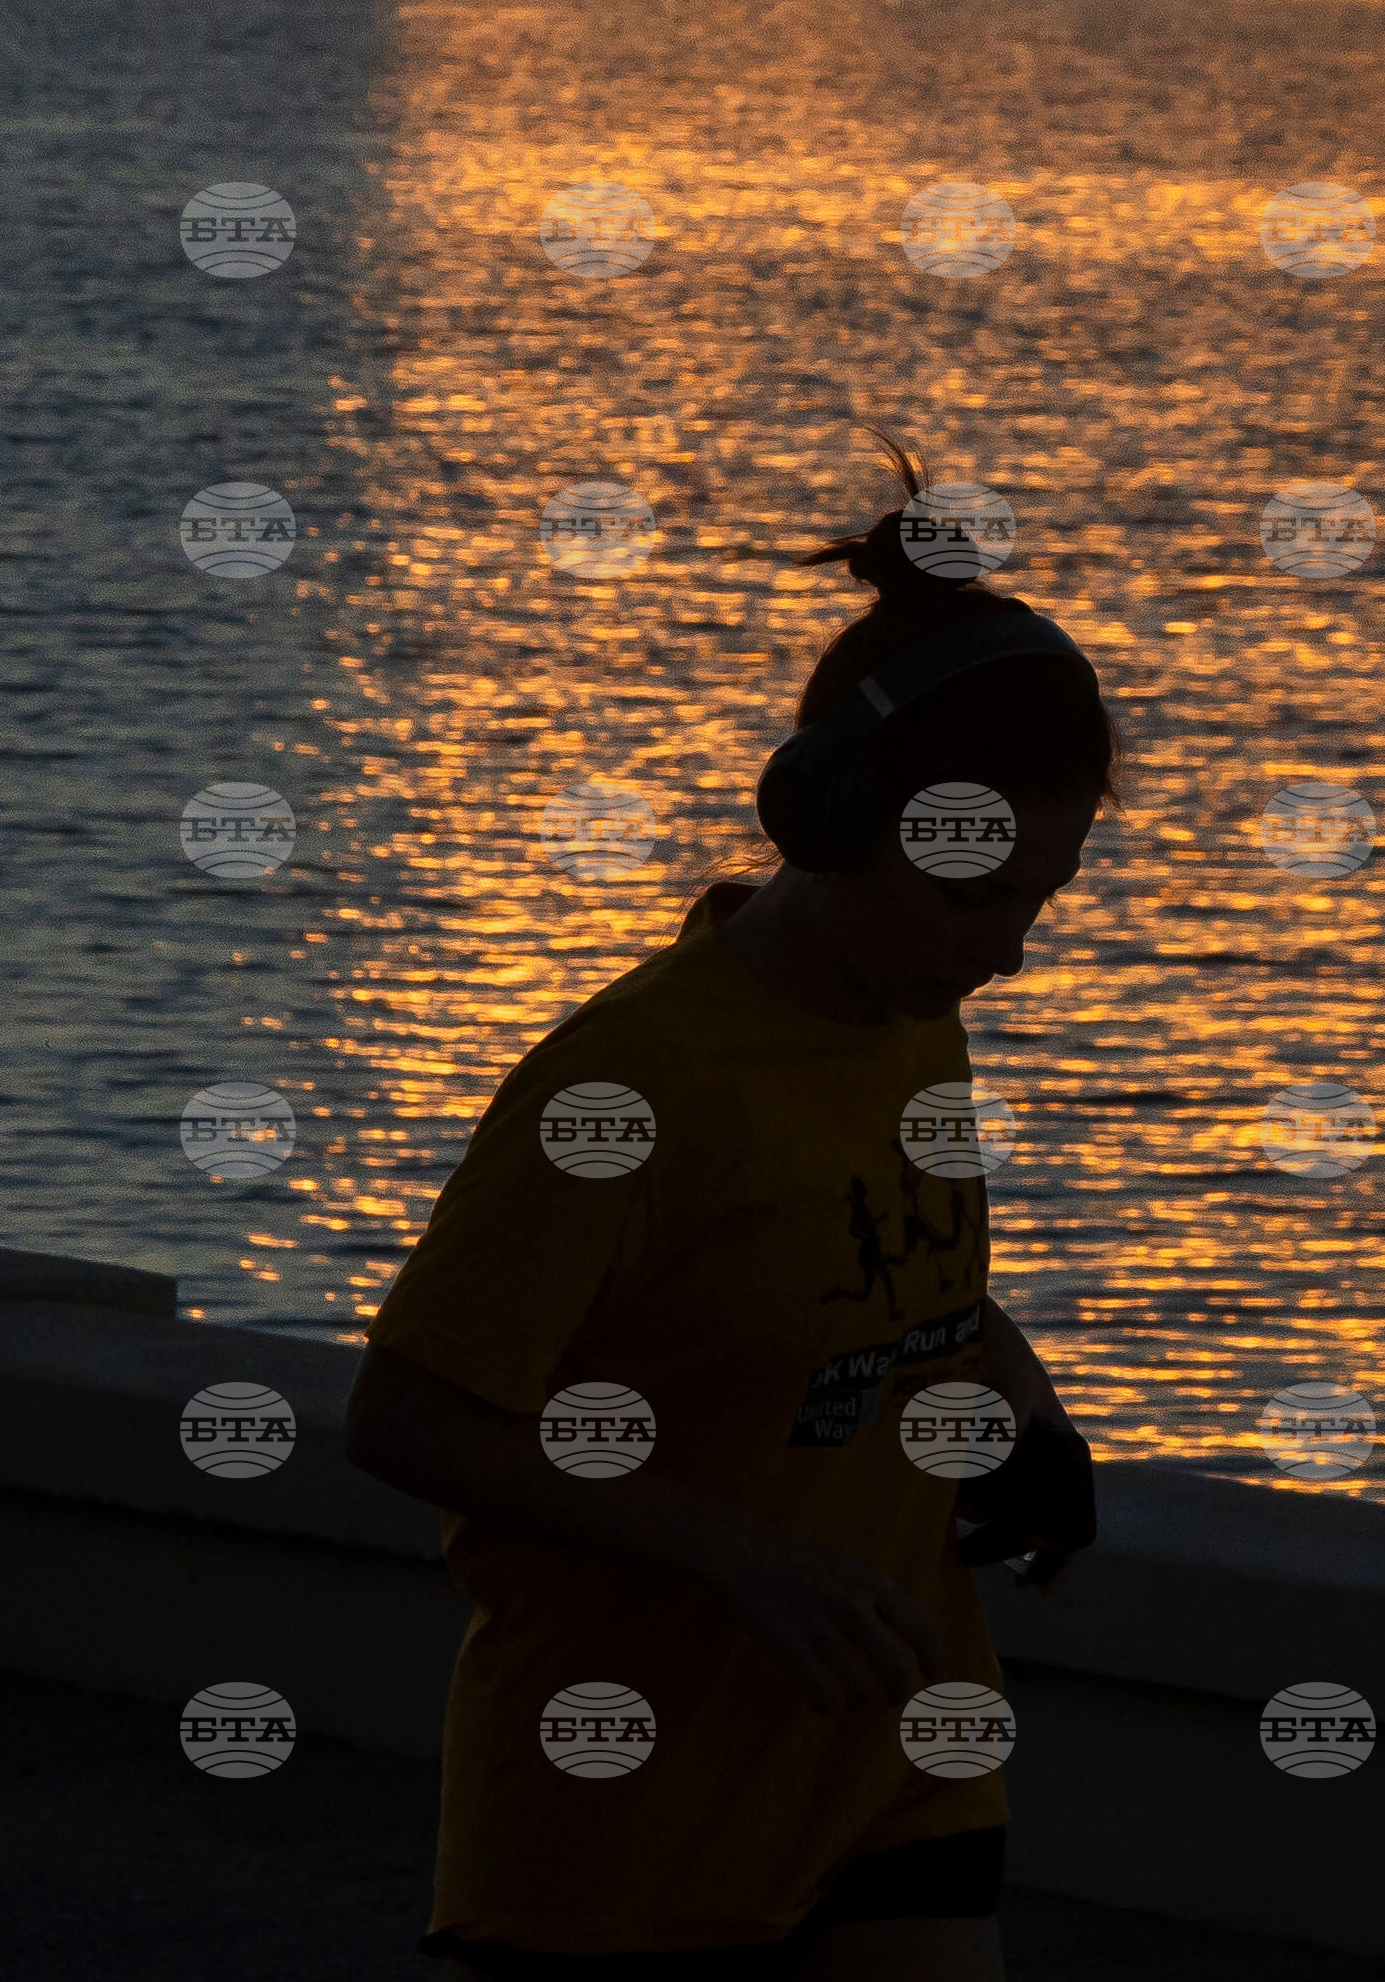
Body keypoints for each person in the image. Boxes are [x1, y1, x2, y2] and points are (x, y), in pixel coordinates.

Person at [343, 436, 1120, 1979]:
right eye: (971, 895)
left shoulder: (915, 1022)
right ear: (829, 824)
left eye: (1038, 896)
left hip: (891, 1760)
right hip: (624, 1813)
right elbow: (406, 1415)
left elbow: (894, 1281)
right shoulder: (629, 1086)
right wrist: (736, 1553)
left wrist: (1029, 1412)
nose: (1008, 951)